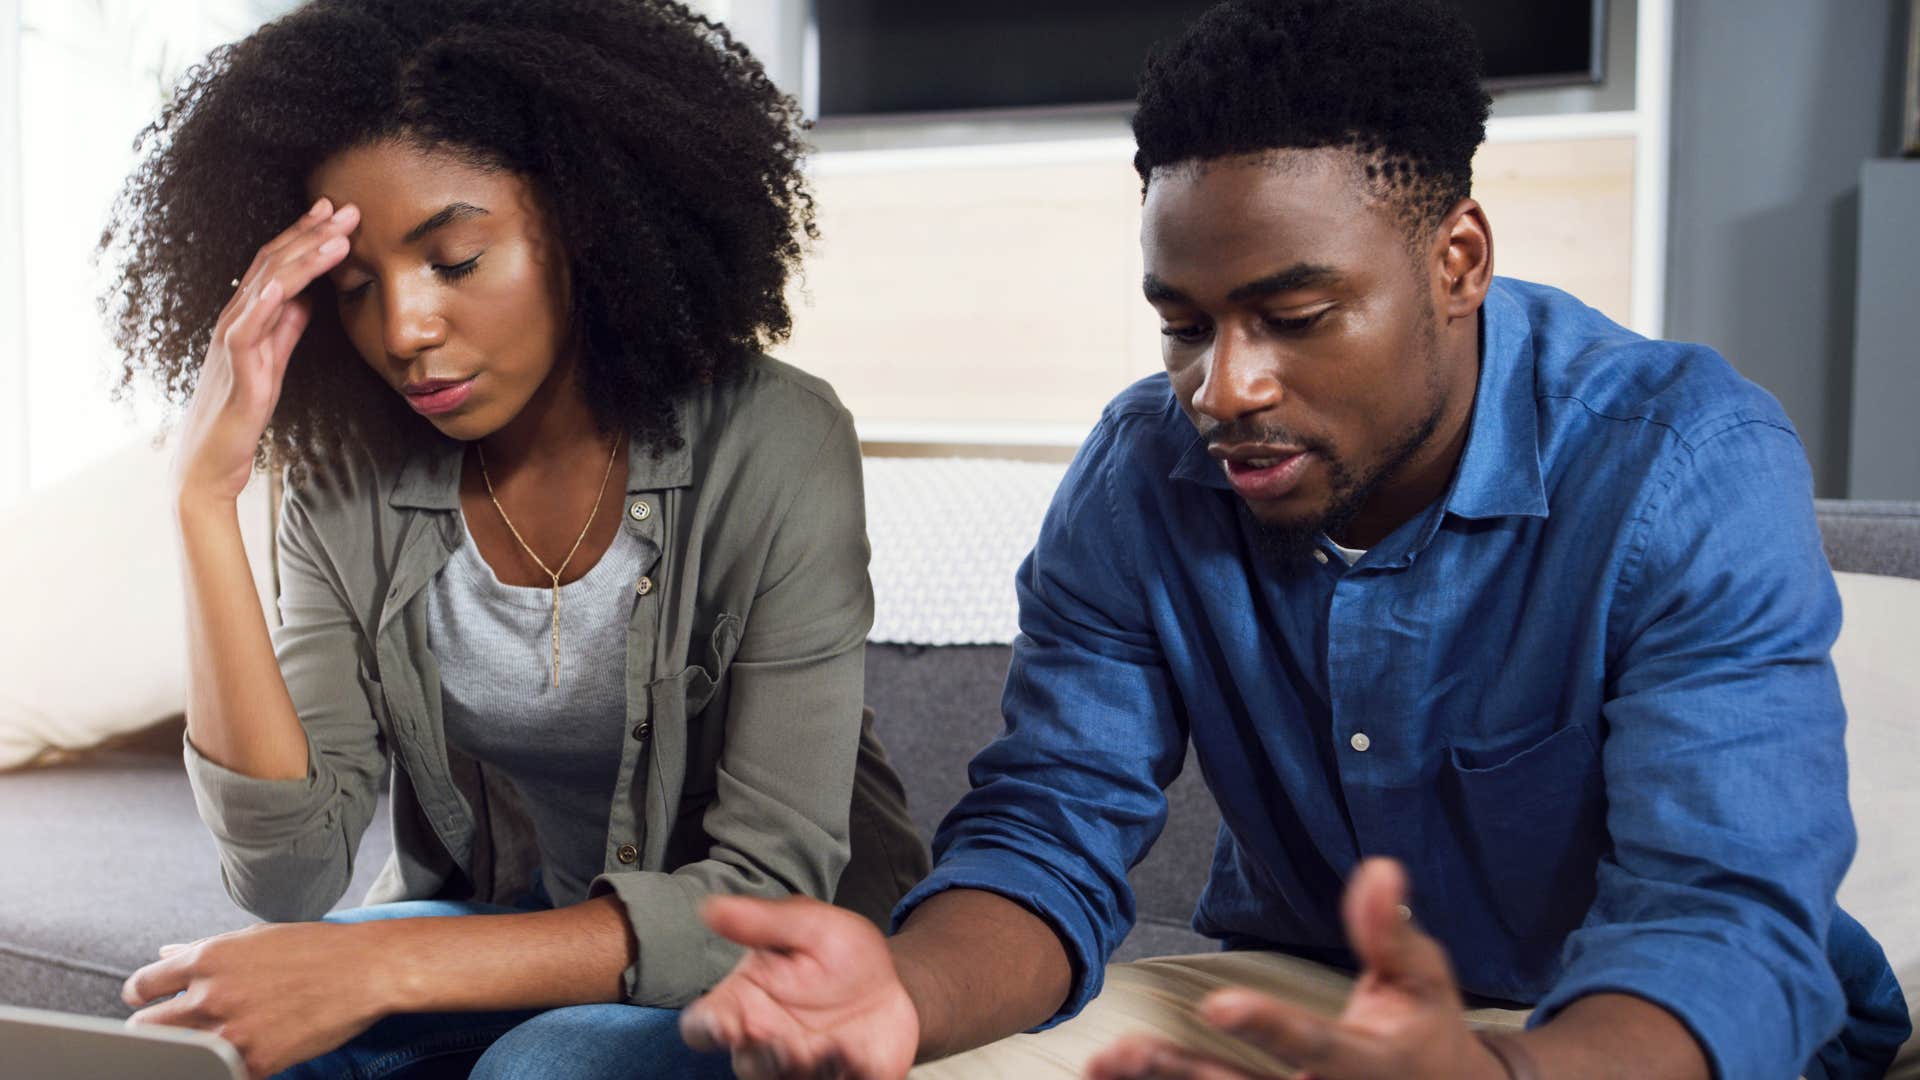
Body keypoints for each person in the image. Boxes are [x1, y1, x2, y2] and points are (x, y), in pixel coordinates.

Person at [678, 1, 1912, 1078]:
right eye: (1184, 326)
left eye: (1295, 316)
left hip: (1637, 1030)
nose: (1225, 388)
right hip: (1304, 998)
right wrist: (904, 993)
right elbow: (1048, 829)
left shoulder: (1684, 463)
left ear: (1459, 260)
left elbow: (1722, 919)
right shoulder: (1141, 472)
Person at [100, 1, 928, 1076]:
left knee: (542, 1069)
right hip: (499, 927)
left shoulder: (774, 442)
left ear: (587, 221)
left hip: (778, 969)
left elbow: (768, 888)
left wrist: (386, 972)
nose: (403, 331)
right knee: (215, 1039)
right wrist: (203, 500)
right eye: (356, 287)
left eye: (454, 260)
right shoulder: (352, 475)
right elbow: (289, 881)